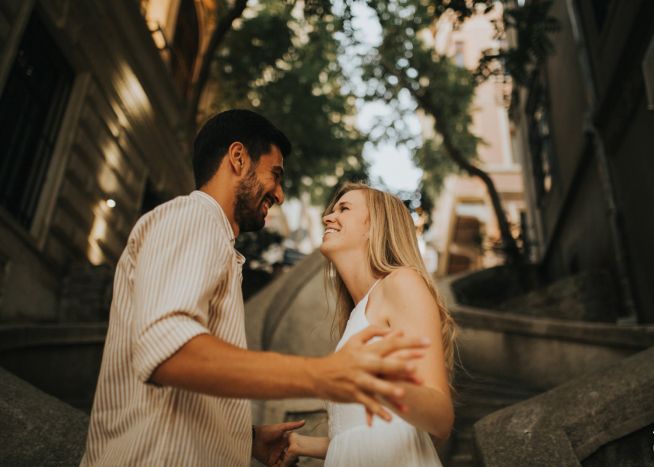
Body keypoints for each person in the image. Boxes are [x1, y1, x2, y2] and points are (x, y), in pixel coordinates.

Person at [80, 111, 430, 467]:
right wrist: (321, 374)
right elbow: (168, 352)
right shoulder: (192, 218)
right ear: (237, 158)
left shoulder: (214, 243)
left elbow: (185, 384)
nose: (278, 195)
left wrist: (244, 436)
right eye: (274, 175)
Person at [280, 182, 457, 467]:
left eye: (344, 208)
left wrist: (377, 383)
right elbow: (363, 435)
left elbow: (440, 416)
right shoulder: (357, 315)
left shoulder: (401, 282)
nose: (328, 217)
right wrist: (301, 444)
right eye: (331, 210)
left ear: (376, 227)